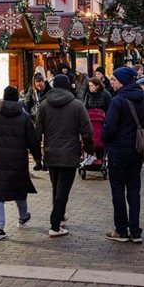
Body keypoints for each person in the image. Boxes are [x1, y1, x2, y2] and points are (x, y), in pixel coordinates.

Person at [102, 66, 144, 244]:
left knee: (118, 189)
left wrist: (106, 140)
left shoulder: (118, 101)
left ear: (123, 81)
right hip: (137, 150)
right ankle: (135, 230)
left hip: (118, 150)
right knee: (134, 190)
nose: (112, 82)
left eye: (115, 80)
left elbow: (109, 128)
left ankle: (121, 230)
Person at [0, 86, 41, 241]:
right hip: (18, 160)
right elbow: (32, 140)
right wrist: (37, 157)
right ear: (17, 99)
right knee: (19, 189)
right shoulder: (24, 117)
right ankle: (23, 215)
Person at [38, 74, 93, 238]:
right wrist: (90, 149)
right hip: (70, 153)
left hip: (51, 152)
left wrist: (37, 154)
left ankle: (59, 216)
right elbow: (87, 130)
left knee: (56, 187)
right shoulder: (77, 105)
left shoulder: (44, 105)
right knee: (63, 190)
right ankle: (55, 224)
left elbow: (37, 130)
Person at [22, 72, 50, 171]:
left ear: (43, 82)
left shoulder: (49, 91)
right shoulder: (32, 91)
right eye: (37, 85)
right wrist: (29, 115)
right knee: (35, 142)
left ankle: (46, 162)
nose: (39, 87)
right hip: (34, 119)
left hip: (46, 119)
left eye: (41, 85)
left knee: (47, 142)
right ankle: (38, 161)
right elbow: (27, 103)